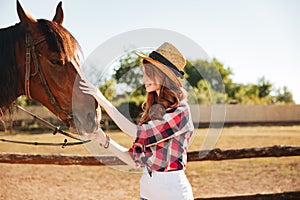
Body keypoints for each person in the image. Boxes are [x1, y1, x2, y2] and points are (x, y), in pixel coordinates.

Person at [79, 42, 194, 200]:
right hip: (146, 195)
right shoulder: (154, 113)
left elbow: (140, 134)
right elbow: (135, 161)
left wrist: (102, 99)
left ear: (162, 75)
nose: (143, 78)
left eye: (148, 74)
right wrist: (104, 139)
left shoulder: (180, 113)